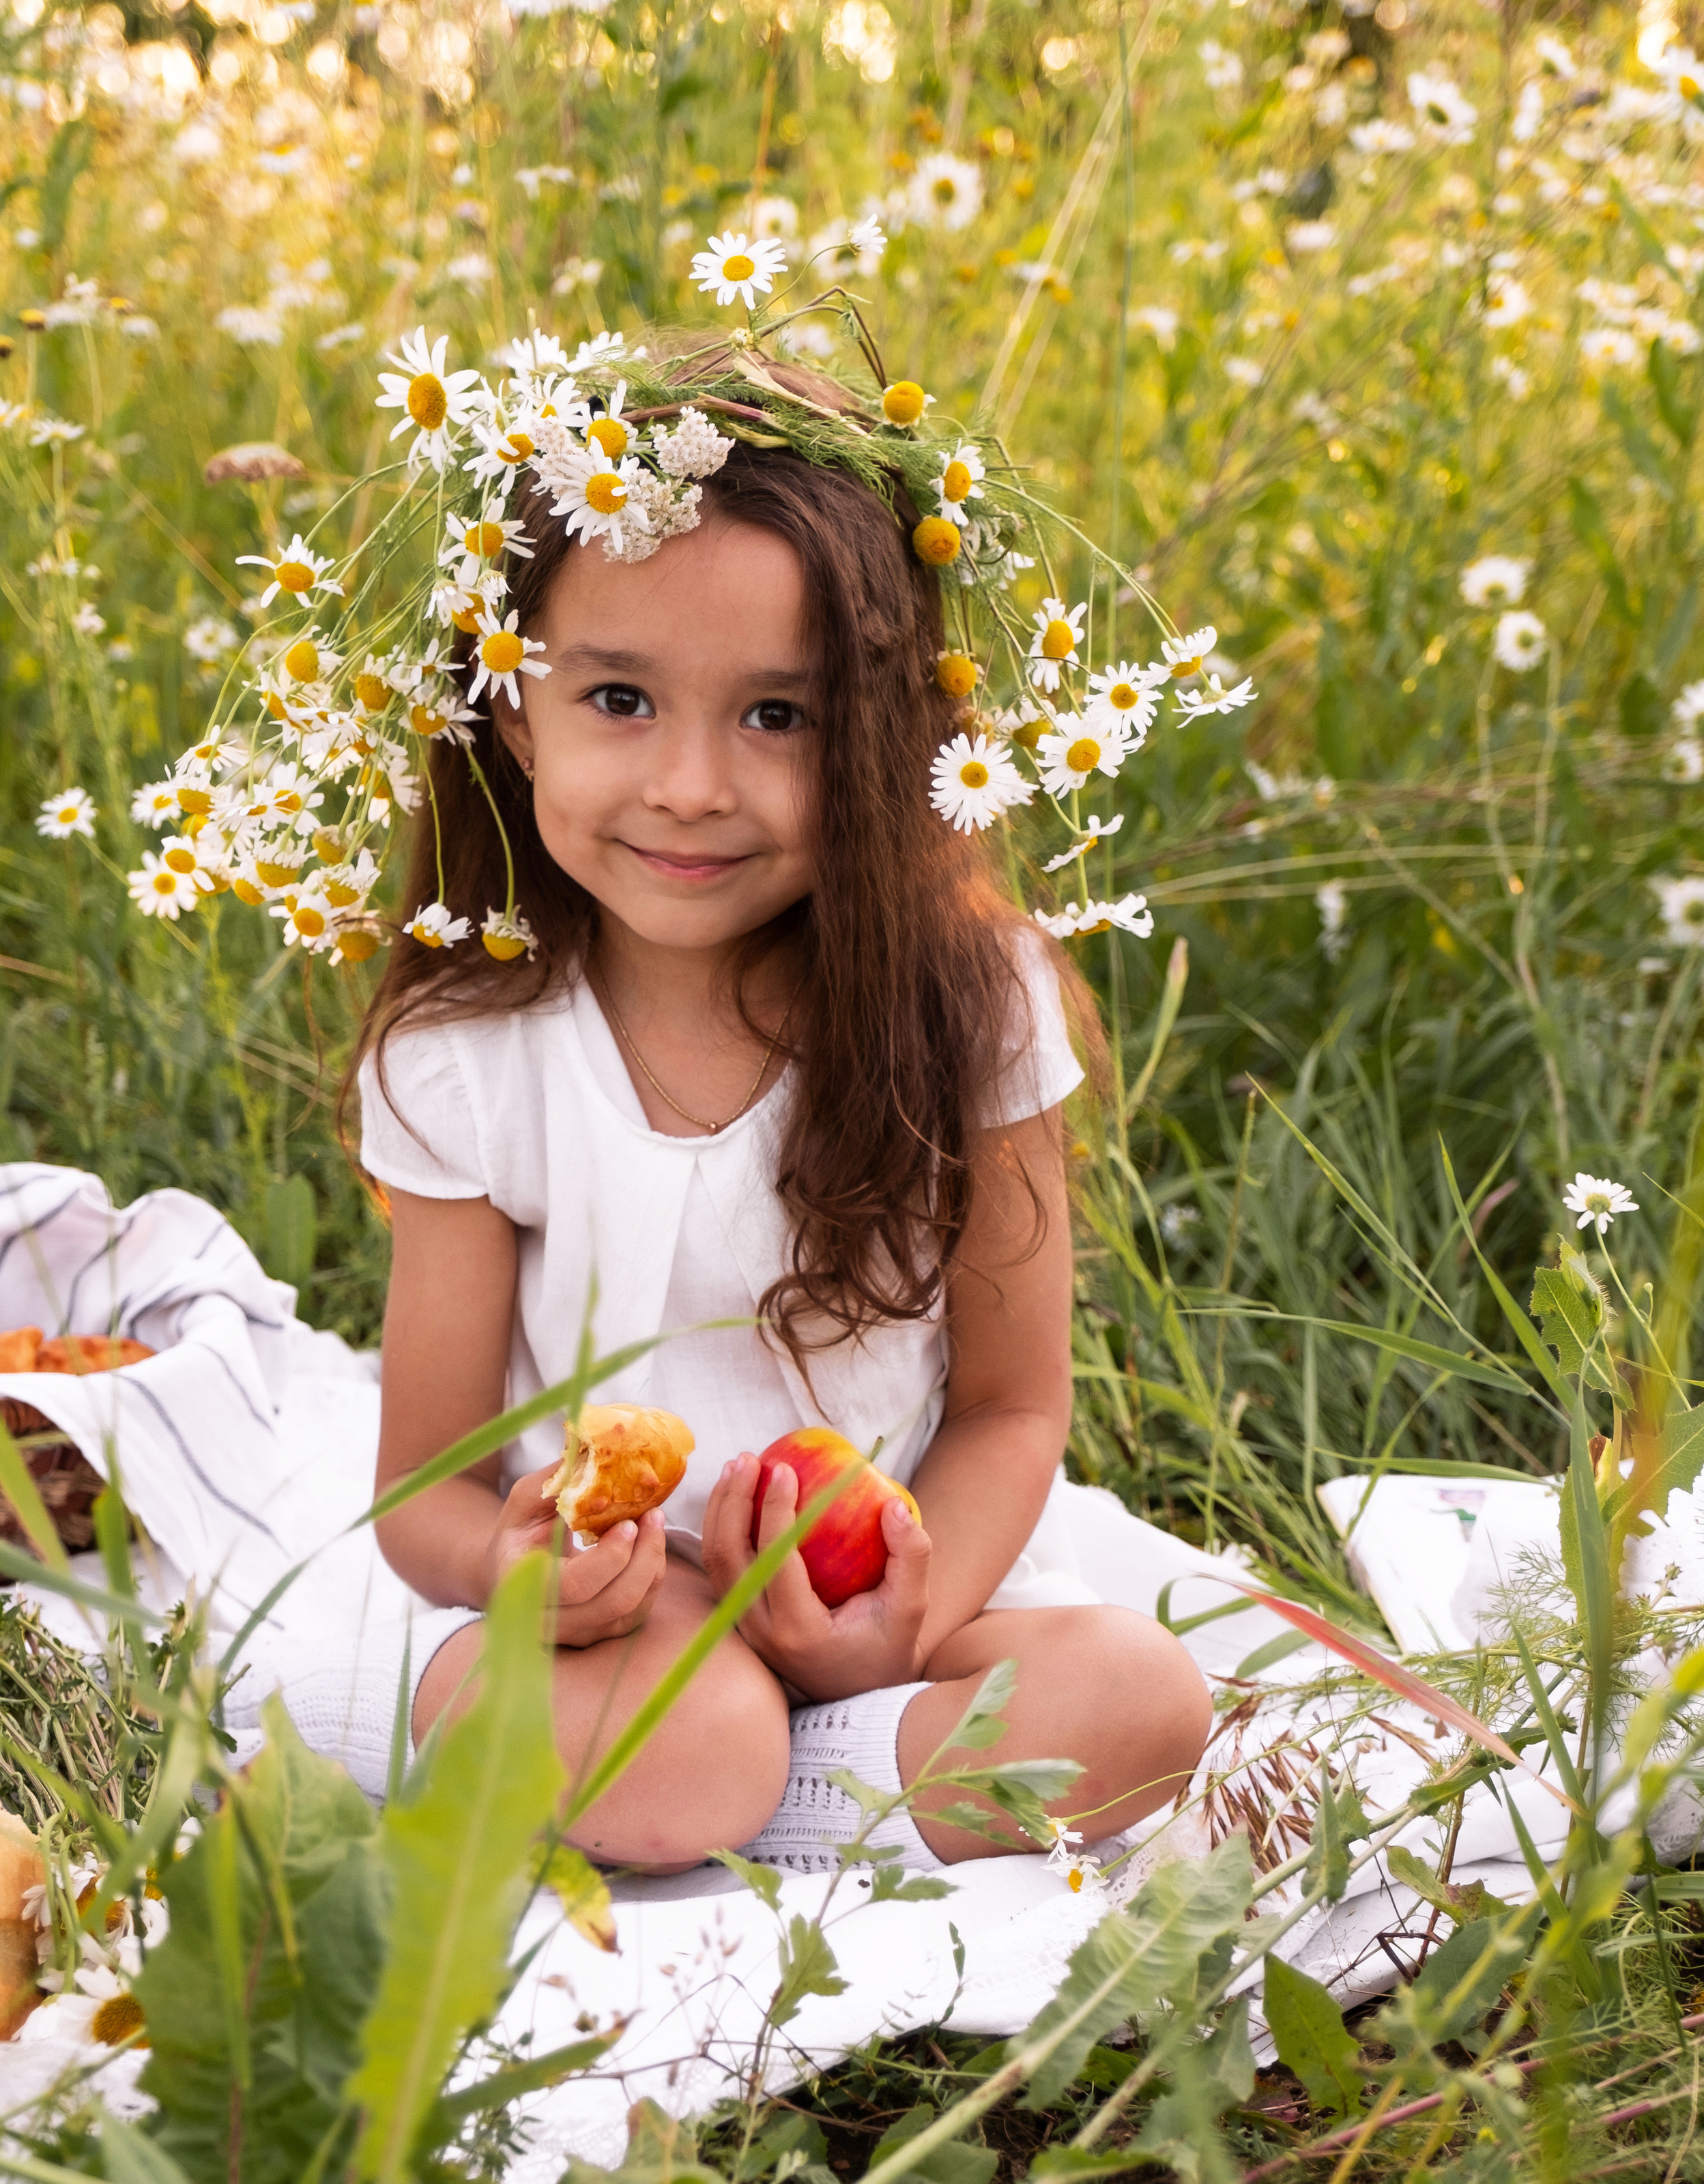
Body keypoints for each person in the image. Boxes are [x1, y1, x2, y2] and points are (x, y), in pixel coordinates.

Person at [352, 368, 1211, 1876]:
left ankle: (772, 1777)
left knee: (1139, 1697)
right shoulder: (471, 1051)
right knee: (680, 1747)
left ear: (882, 736)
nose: (691, 787)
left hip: (892, 1561)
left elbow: (1014, 1409)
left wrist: (897, 1627)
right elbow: (426, 1481)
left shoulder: (970, 1003)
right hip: (626, 1591)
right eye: (618, 699)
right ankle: (732, 1774)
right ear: (509, 707)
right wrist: (508, 1568)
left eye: (777, 716)